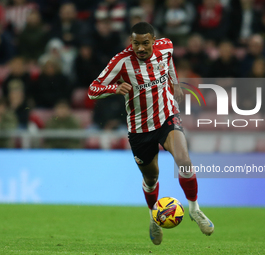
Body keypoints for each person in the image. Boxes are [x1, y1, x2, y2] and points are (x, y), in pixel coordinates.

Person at [88, 22, 214, 245]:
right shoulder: (121, 61)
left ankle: (195, 209)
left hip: (167, 117)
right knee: (151, 177)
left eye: (145, 43)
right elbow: (92, 89)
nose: (141, 48)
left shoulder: (166, 47)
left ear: (153, 41)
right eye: (136, 43)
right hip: (139, 129)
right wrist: (114, 89)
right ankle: (153, 218)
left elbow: (169, 63)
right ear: (131, 42)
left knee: (184, 161)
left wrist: (174, 84)